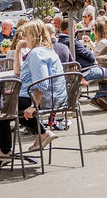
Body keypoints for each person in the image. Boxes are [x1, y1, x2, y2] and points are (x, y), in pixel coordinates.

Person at [13, 20, 67, 151]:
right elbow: (18, 71)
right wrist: (18, 50)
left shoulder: (37, 53)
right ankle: (41, 133)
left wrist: (34, 106)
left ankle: (4, 151)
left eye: (25, 34)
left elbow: (42, 81)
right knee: (7, 104)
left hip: (44, 99)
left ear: (33, 35)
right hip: (57, 97)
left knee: (4, 106)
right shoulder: (48, 51)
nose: (24, 38)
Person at [59, 19, 107, 108]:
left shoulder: (60, 42)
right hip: (86, 71)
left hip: (75, 72)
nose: (76, 30)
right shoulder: (72, 41)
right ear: (69, 29)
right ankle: (100, 97)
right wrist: (93, 60)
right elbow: (88, 54)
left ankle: (101, 97)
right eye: (74, 28)